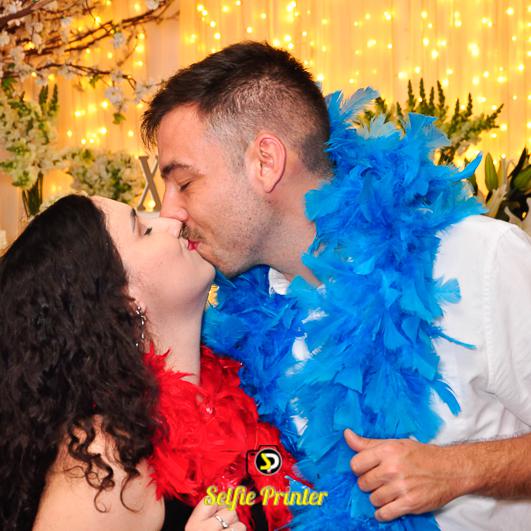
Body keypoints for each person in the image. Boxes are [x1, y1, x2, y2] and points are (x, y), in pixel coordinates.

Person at [141, 41, 531, 529]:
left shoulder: (477, 259)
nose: (169, 212)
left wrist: (460, 469)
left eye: (184, 182)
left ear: (266, 162)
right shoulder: (241, 336)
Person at [0, 194, 296, 531]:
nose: (172, 221)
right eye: (143, 230)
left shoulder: (240, 380)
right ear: (122, 301)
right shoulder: (103, 456)